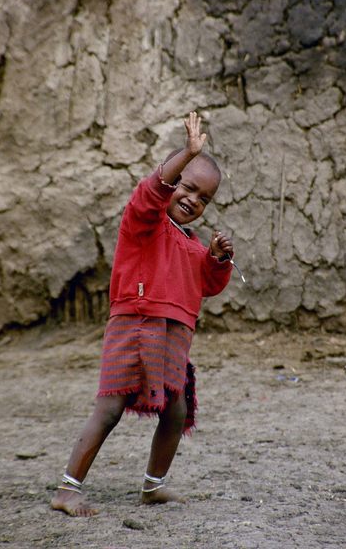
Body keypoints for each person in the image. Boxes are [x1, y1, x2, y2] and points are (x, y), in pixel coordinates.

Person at [51, 111, 234, 517]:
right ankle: (67, 489)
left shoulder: (192, 243)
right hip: (134, 326)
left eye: (205, 199)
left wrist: (218, 260)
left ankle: (153, 486)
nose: (193, 200)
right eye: (188, 186)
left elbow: (207, 283)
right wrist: (186, 153)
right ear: (172, 180)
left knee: (177, 411)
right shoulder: (142, 221)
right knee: (110, 408)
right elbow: (152, 191)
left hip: (174, 337)